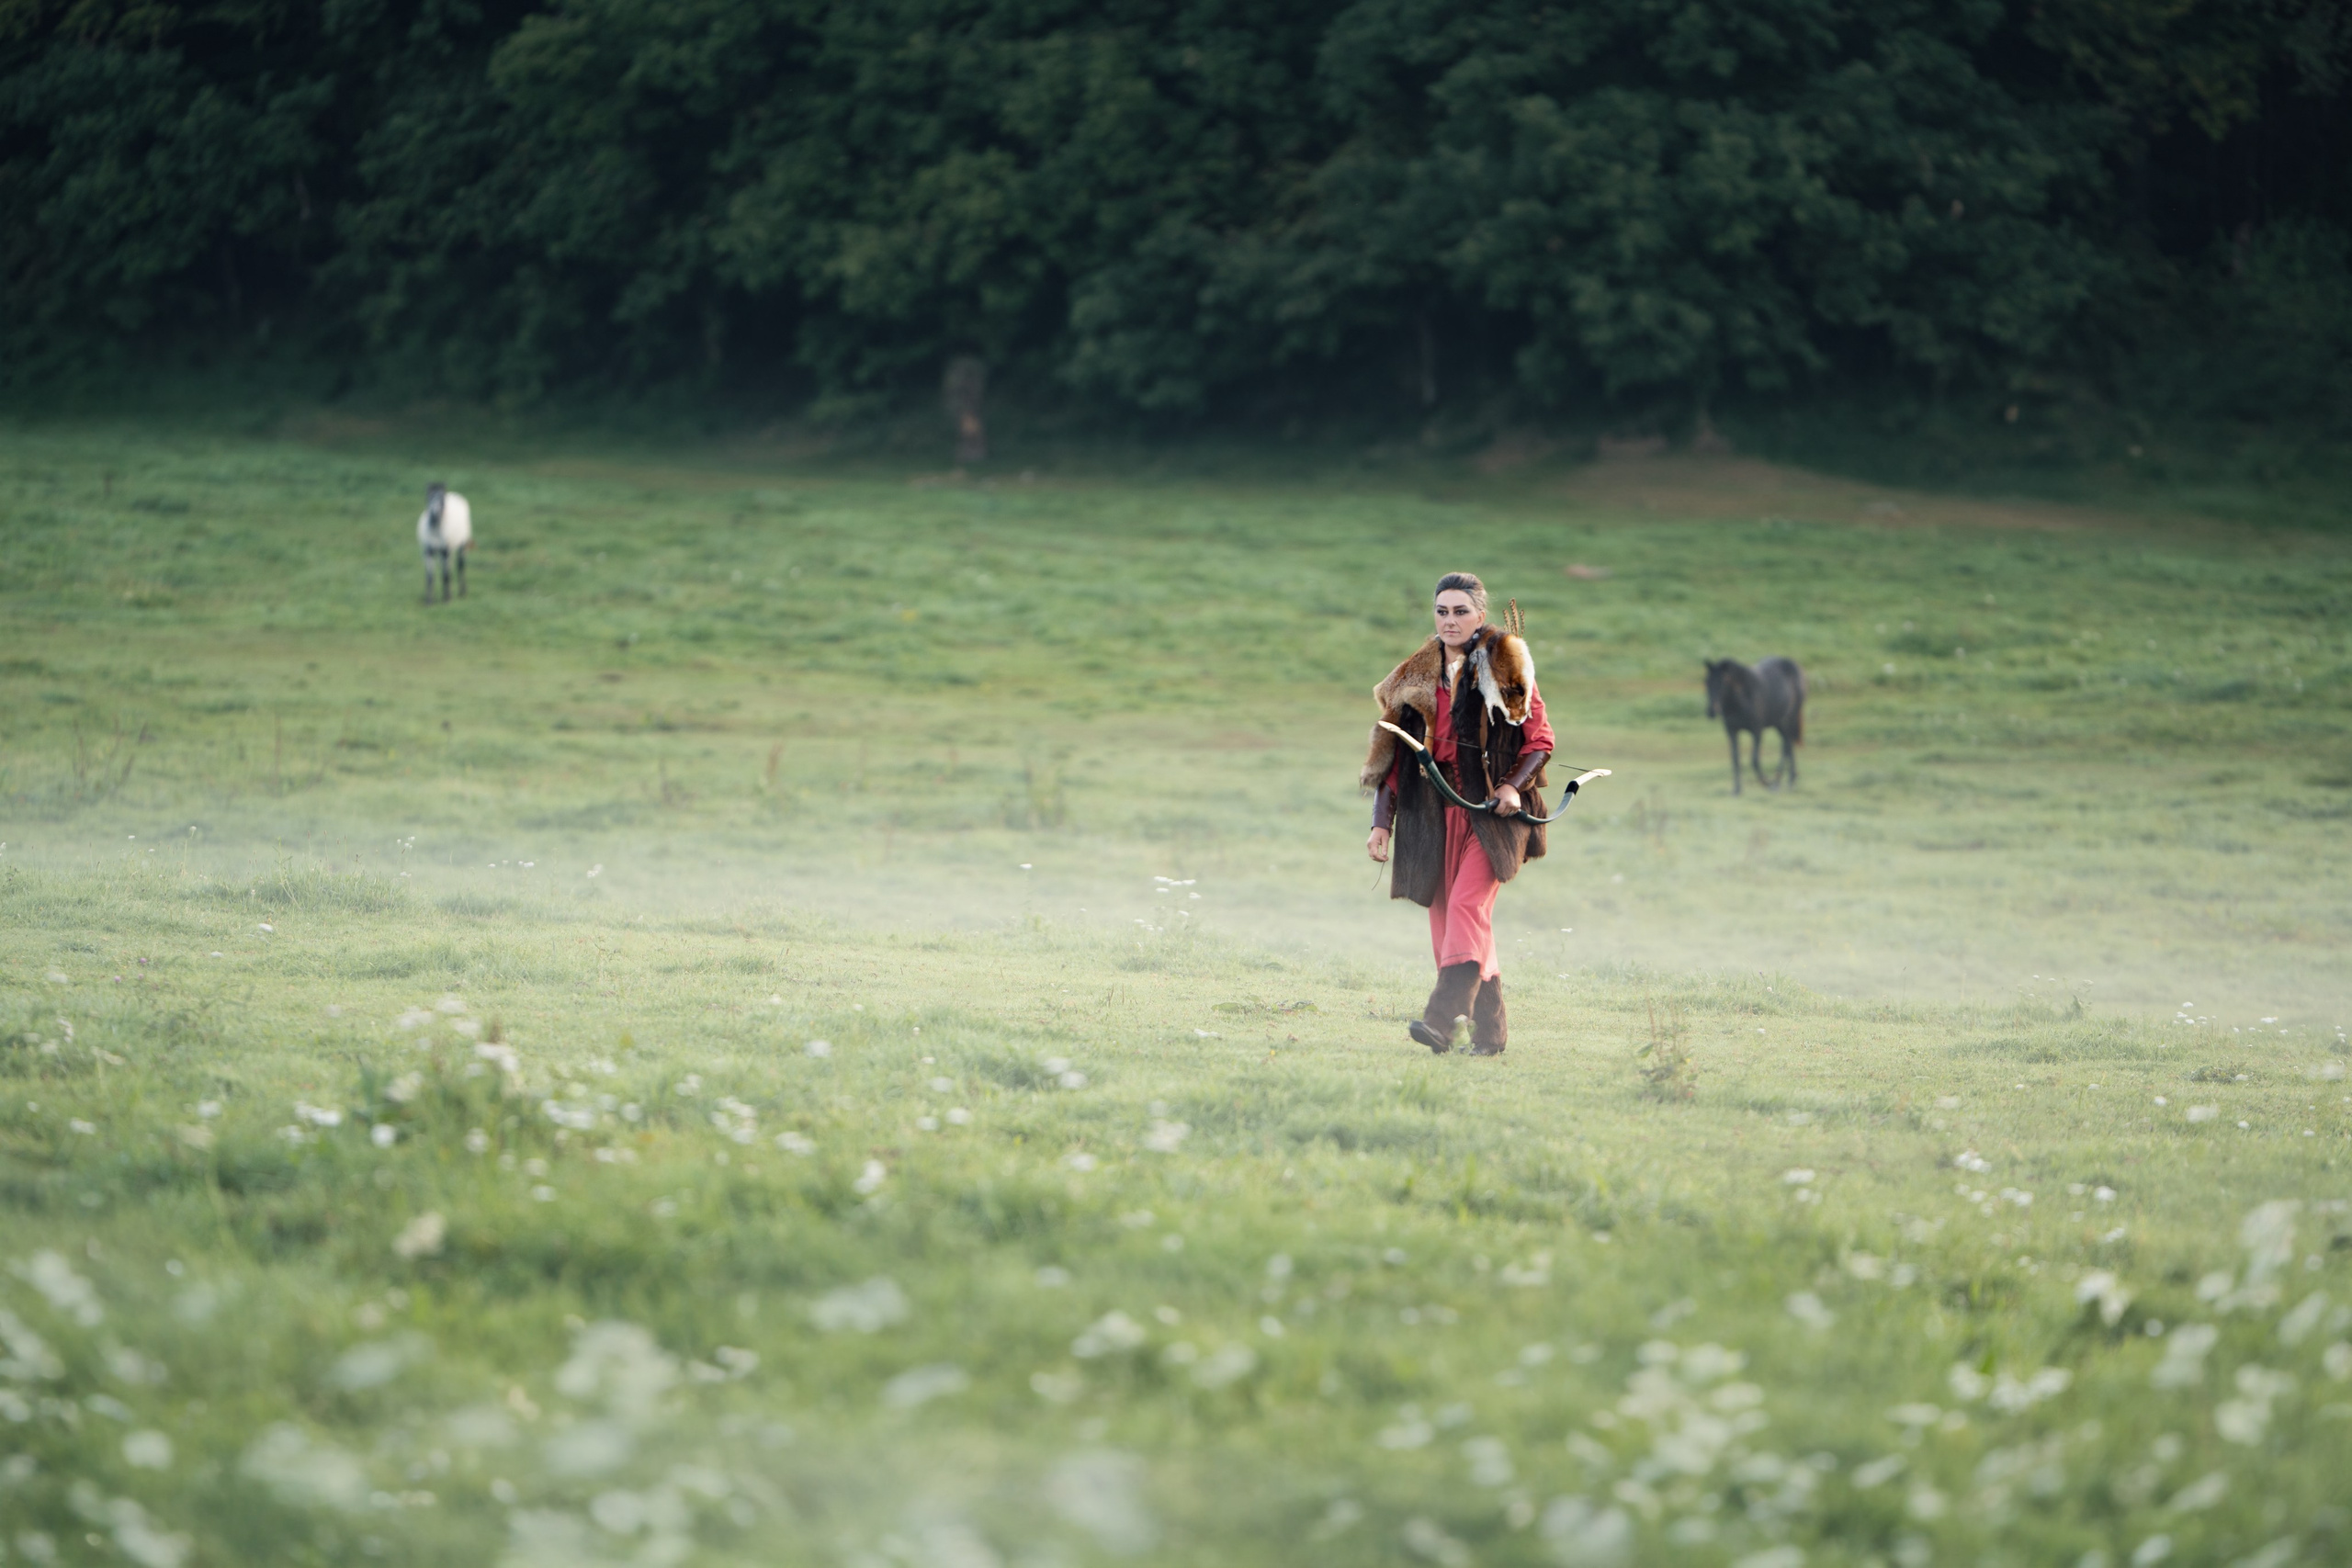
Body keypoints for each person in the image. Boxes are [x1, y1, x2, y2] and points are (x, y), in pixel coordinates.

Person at [1362, 573, 1555, 1055]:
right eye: (1442, 611)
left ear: (1480, 616)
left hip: (1493, 814)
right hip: (1433, 815)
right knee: (1452, 926)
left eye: (1461, 611)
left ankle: (1441, 1020)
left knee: (1469, 908)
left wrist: (1513, 786)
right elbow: (1397, 756)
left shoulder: (1507, 666)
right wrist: (1381, 823)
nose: (1450, 620)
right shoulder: (1412, 680)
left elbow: (1540, 741)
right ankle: (1490, 1038)